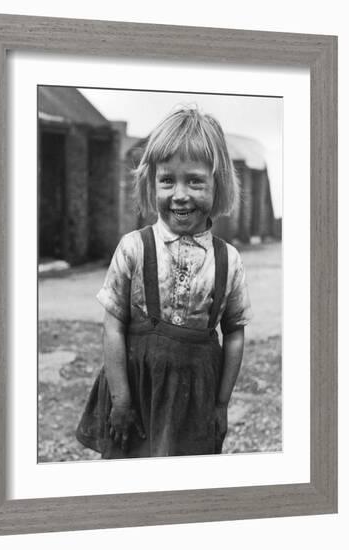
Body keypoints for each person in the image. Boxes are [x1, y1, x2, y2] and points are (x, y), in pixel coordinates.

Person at [76, 105, 252, 459]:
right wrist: (120, 400)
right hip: (136, 390)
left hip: (194, 397)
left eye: (195, 180)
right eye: (168, 180)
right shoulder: (133, 249)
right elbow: (113, 327)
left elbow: (234, 333)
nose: (180, 194)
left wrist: (220, 404)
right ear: (150, 182)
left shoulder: (228, 260)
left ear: (217, 186)